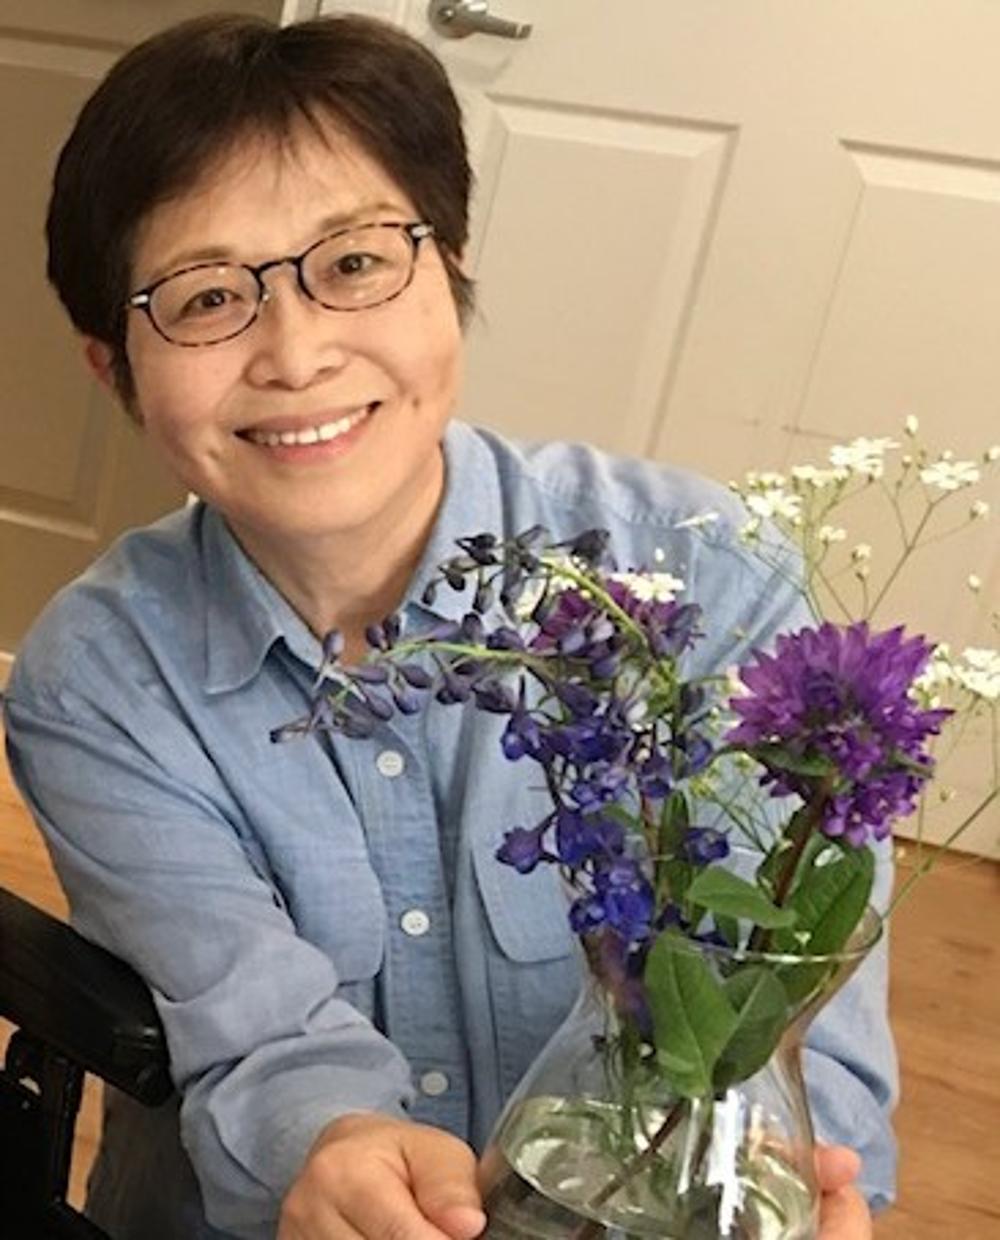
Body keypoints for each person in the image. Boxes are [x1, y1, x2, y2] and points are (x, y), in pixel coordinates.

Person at [3, 14, 896, 1240]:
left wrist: (778, 1193)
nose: (299, 351)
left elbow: (801, 1041)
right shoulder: (96, 679)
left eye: (355, 263)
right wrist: (340, 1146)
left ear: (453, 262)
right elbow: (259, 1033)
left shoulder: (701, 577)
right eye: (207, 298)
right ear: (113, 371)